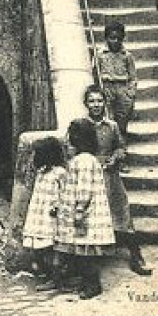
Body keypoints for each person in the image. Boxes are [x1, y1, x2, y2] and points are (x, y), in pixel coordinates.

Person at [84, 86, 152, 277]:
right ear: (86, 104)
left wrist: (115, 158)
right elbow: (71, 149)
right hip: (90, 176)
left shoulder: (112, 126)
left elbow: (121, 147)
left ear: (104, 103)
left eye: (99, 101)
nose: (96, 105)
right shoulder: (81, 125)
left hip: (111, 175)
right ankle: (89, 266)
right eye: (92, 101)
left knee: (121, 213)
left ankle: (136, 256)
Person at [54, 118, 115, 299]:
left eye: (71, 136)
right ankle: (85, 282)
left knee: (87, 254)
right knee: (82, 252)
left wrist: (80, 210)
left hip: (87, 213)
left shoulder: (85, 161)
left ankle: (93, 285)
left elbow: (84, 188)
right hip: (83, 212)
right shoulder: (81, 160)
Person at [21, 137, 67, 283]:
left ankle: (55, 278)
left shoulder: (59, 173)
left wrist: (57, 207)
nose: (34, 157)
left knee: (51, 247)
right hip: (38, 216)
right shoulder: (41, 173)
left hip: (50, 216)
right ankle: (46, 274)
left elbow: (65, 193)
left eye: (37, 154)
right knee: (39, 247)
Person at [96, 21, 137, 145]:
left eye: (118, 38)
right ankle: (111, 142)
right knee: (109, 116)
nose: (115, 41)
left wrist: (131, 92)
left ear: (122, 39)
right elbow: (95, 72)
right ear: (106, 38)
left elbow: (133, 76)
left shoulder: (127, 56)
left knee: (123, 115)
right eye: (112, 38)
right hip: (107, 86)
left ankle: (122, 138)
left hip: (122, 88)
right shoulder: (100, 54)